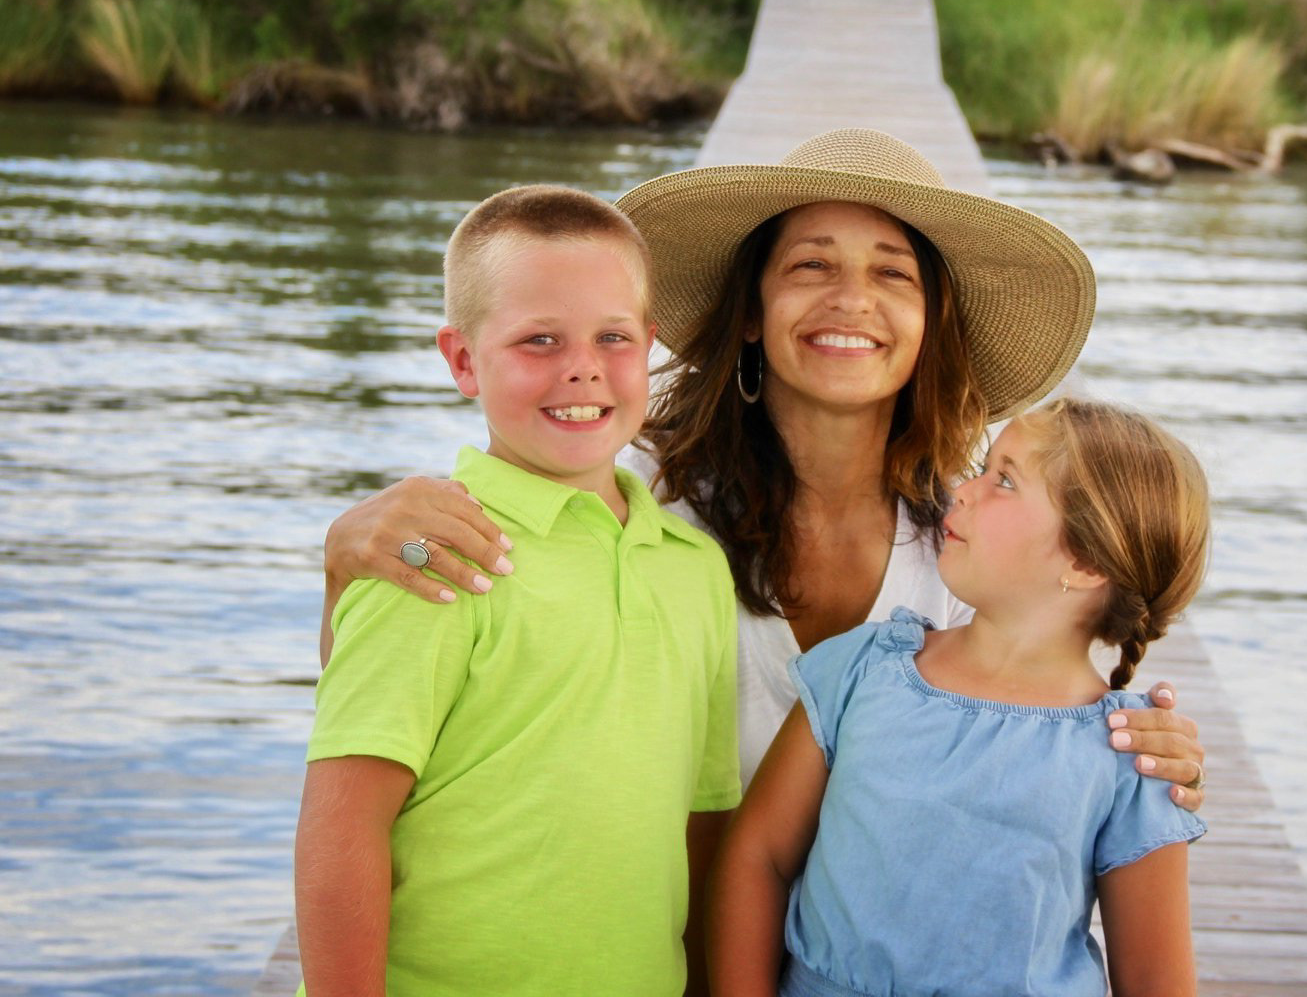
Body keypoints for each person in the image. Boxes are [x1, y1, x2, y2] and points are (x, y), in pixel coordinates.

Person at [319, 128, 1210, 804]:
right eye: (810, 265)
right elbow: (388, 693)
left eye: (893, 275)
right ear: (750, 311)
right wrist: (347, 559)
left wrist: (1146, 750)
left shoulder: (978, 541)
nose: (850, 300)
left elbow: (1066, 703)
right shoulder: (637, 496)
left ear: (934, 321)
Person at [293, 186, 739, 996]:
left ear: (652, 347)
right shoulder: (431, 551)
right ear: (463, 360)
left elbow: (702, 823)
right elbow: (342, 828)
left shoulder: (693, 569)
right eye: (539, 339)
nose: (582, 366)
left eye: (613, 337)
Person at [711, 398, 1211, 997]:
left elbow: (1156, 980)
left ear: (1082, 561)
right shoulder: (863, 669)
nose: (965, 490)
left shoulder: (1130, 755)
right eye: (983, 467)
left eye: (1003, 480)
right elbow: (757, 857)